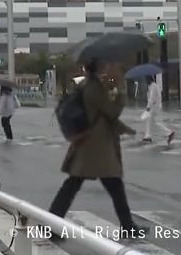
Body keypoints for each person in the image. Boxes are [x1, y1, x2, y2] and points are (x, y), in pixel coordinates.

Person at [47, 58, 144, 238]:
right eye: (107, 64)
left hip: (91, 144)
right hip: (96, 146)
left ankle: (52, 224)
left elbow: (103, 116)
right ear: (99, 66)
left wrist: (123, 128)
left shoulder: (89, 84)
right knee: (110, 185)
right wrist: (121, 87)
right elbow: (112, 111)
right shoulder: (94, 87)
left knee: (74, 186)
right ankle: (128, 227)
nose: (109, 67)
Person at [142, 75, 174, 145]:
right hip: (155, 106)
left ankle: (169, 132)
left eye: (146, 80)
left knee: (152, 121)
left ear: (149, 80)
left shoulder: (153, 86)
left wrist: (148, 107)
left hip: (154, 107)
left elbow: (152, 98)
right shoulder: (152, 86)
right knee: (150, 121)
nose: (146, 81)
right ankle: (148, 136)